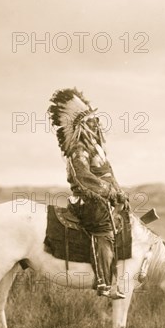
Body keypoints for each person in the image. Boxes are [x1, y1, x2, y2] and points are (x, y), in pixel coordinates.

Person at [48, 88, 128, 298]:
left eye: (96, 120)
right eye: (92, 121)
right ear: (82, 125)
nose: (97, 124)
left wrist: (119, 193)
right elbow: (83, 178)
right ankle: (104, 283)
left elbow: (108, 174)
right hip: (89, 201)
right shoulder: (79, 150)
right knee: (104, 229)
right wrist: (109, 191)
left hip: (103, 199)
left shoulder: (97, 148)